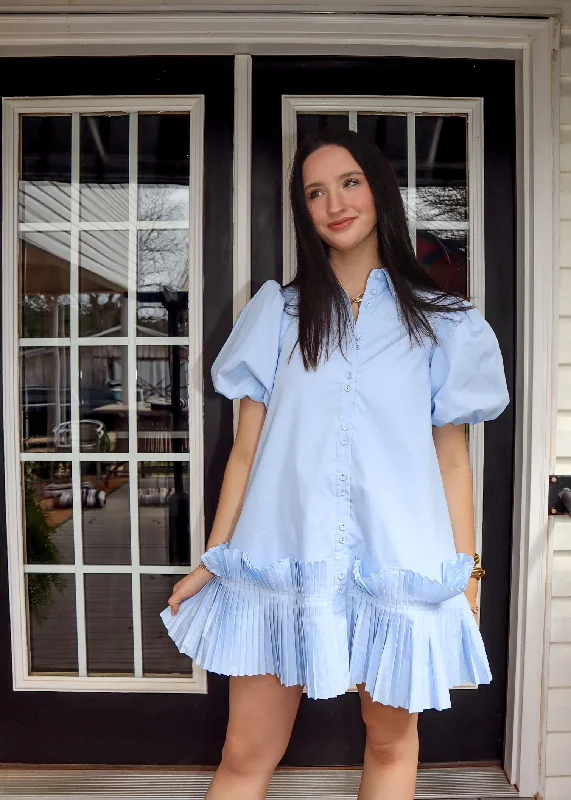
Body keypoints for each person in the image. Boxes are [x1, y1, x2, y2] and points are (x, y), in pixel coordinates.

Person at [160, 127, 510, 800]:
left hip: (397, 569)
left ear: (379, 190)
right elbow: (246, 451)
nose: (333, 203)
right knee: (242, 753)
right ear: (303, 210)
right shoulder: (278, 315)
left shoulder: (444, 325)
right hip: (279, 565)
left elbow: (453, 466)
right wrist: (214, 556)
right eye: (314, 192)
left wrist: (465, 574)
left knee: (388, 743)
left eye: (348, 183)